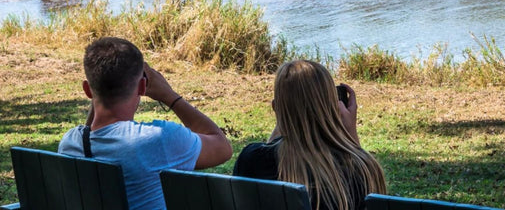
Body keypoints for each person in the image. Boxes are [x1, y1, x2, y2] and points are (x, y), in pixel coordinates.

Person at [58, 37, 232, 210]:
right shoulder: (158, 140)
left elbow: (91, 130)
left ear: (87, 90)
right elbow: (222, 148)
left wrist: (100, 90)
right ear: (142, 86)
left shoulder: (69, 145)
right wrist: (169, 95)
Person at [233, 59, 386, 210]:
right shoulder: (363, 168)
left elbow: (270, 151)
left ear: (276, 108)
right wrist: (350, 133)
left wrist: (286, 115)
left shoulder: (252, 159)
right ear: (334, 107)